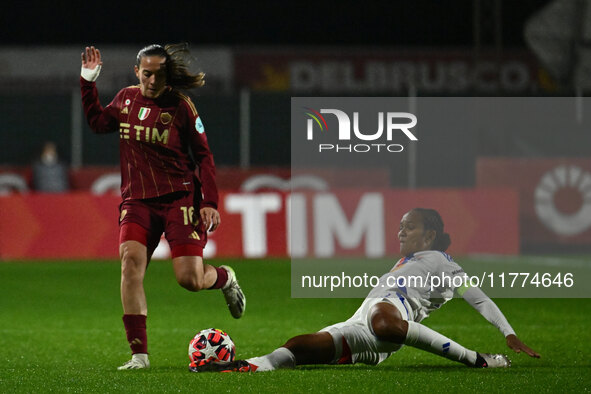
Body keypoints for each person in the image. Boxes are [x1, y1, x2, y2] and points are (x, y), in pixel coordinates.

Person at [191, 208, 540, 373]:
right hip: (362, 325)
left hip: (389, 316)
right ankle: (234, 367)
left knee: (384, 321)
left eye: (409, 227)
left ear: (429, 235)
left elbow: (475, 296)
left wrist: (507, 332)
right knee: (296, 347)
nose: (400, 233)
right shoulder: (412, 258)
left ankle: (476, 360)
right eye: (400, 227)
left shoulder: (443, 263)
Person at [80, 44, 245, 370]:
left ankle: (225, 278)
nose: (153, 79)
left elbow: (204, 157)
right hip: (137, 200)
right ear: (137, 71)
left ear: (167, 75)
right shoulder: (126, 99)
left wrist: (209, 202)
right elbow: (99, 123)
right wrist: (88, 82)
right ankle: (139, 355)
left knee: (189, 280)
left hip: (179, 199)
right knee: (130, 265)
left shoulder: (181, 106)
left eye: (159, 73)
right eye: (147, 72)